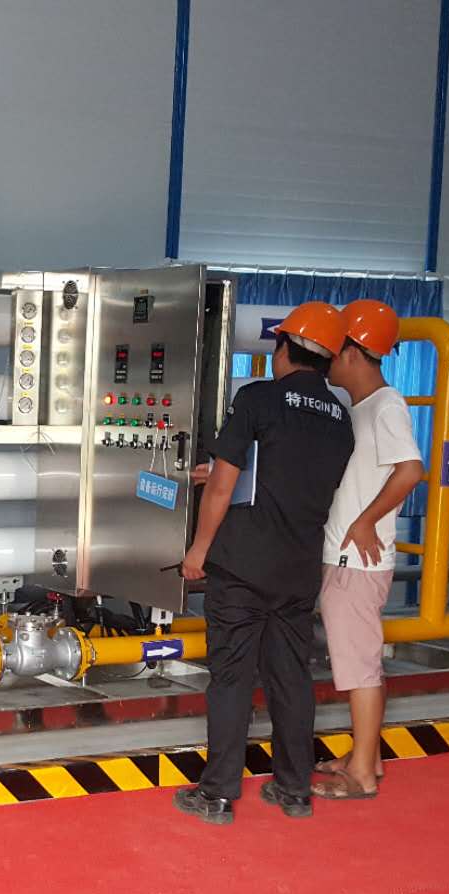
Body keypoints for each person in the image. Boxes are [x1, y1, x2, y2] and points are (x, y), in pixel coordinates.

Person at [174, 301, 355, 824]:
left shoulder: (258, 399)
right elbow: (291, 477)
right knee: (291, 679)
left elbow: (224, 487)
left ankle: (217, 795)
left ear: (285, 348)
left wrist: (198, 551)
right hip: (298, 569)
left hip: (243, 568)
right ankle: (294, 790)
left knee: (232, 677)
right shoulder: (340, 418)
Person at [311, 299, 425, 801]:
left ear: (354, 353)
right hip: (345, 557)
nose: (327, 361)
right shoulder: (361, 408)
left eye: (333, 351)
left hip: (357, 560)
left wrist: (364, 521)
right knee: (357, 662)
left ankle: (360, 774)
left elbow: (411, 470)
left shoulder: (386, 405)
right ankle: (365, 756)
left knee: (359, 667)